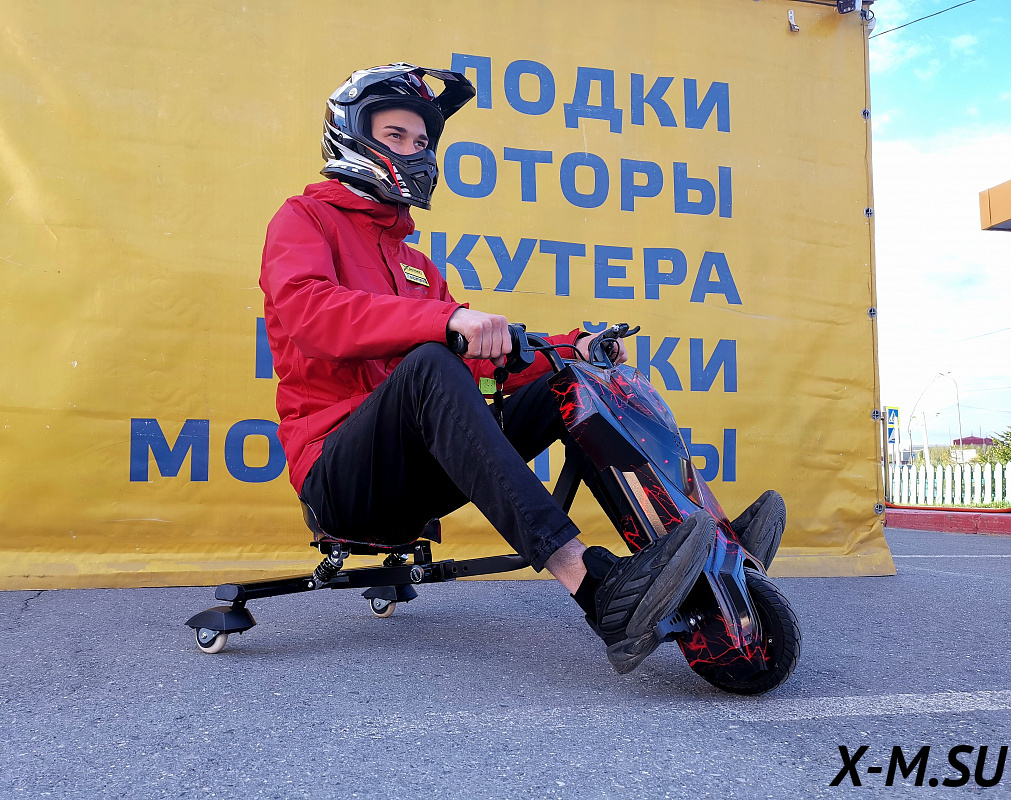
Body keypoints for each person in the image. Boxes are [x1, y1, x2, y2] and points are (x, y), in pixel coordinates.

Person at [259, 63, 785, 674]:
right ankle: (591, 584)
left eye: (422, 141)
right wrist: (447, 321)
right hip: (340, 478)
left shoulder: (417, 266)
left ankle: (701, 539)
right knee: (431, 362)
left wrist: (571, 348)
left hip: (419, 474)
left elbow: (484, 367)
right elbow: (310, 314)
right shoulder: (303, 219)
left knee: (575, 381)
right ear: (352, 136)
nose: (414, 151)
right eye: (395, 136)